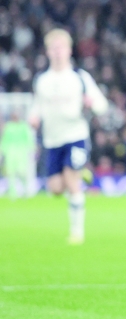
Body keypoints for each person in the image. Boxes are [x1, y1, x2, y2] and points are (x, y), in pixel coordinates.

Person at [27, 29, 109, 244]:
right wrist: (33, 118)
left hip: (76, 136)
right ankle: (82, 172)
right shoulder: (42, 80)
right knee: (54, 189)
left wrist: (93, 104)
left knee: (72, 184)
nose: (57, 52)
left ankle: (77, 233)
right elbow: (36, 106)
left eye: (61, 47)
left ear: (69, 50)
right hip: (52, 140)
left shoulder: (79, 78)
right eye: (53, 48)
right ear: (47, 52)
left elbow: (102, 105)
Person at [1, 110, 36, 198]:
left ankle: (25, 190)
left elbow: (28, 139)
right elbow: (4, 140)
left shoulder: (23, 126)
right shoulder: (8, 127)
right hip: (10, 152)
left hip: (21, 152)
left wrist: (32, 148)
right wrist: (2, 151)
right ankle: (13, 193)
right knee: (11, 173)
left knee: (22, 172)